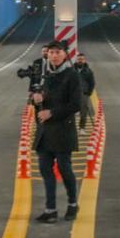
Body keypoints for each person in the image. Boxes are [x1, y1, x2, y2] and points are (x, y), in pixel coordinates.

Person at [31, 41, 82, 223]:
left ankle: (72, 204)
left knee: (64, 168)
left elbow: (76, 104)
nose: (54, 55)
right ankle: (50, 209)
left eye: (57, 52)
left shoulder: (72, 76)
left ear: (65, 54)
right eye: (51, 52)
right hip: (45, 130)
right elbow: (40, 99)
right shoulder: (45, 75)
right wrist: (36, 99)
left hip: (62, 130)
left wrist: (52, 113)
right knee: (45, 169)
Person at [74, 53, 96, 134]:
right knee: (70, 112)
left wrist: (88, 93)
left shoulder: (88, 71)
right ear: (76, 60)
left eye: (82, 59)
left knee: (83, 112)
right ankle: (71, 129)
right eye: (79, 59)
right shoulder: (71, 70)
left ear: (84, 60)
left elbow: (92, 83)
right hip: (72, 94)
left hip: (84, 94)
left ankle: (82, 128)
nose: (80, 61)